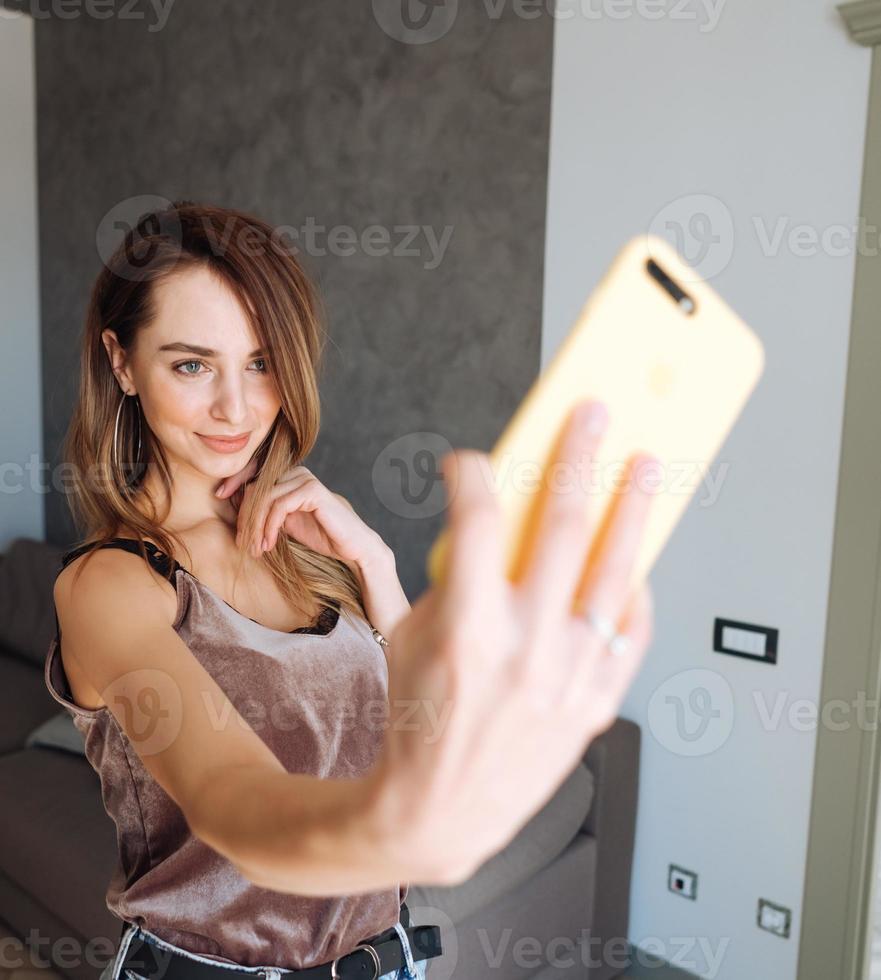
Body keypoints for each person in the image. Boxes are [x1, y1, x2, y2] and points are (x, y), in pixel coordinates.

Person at [46, 201, 656, 980]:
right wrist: (402, 832)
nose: (237, 408)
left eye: (261, 363)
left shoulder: (313, 553)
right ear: (123, 363)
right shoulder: (109, 585)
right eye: (191, 364)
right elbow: (232, 799)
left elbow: (420, 718)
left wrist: (374, 564)